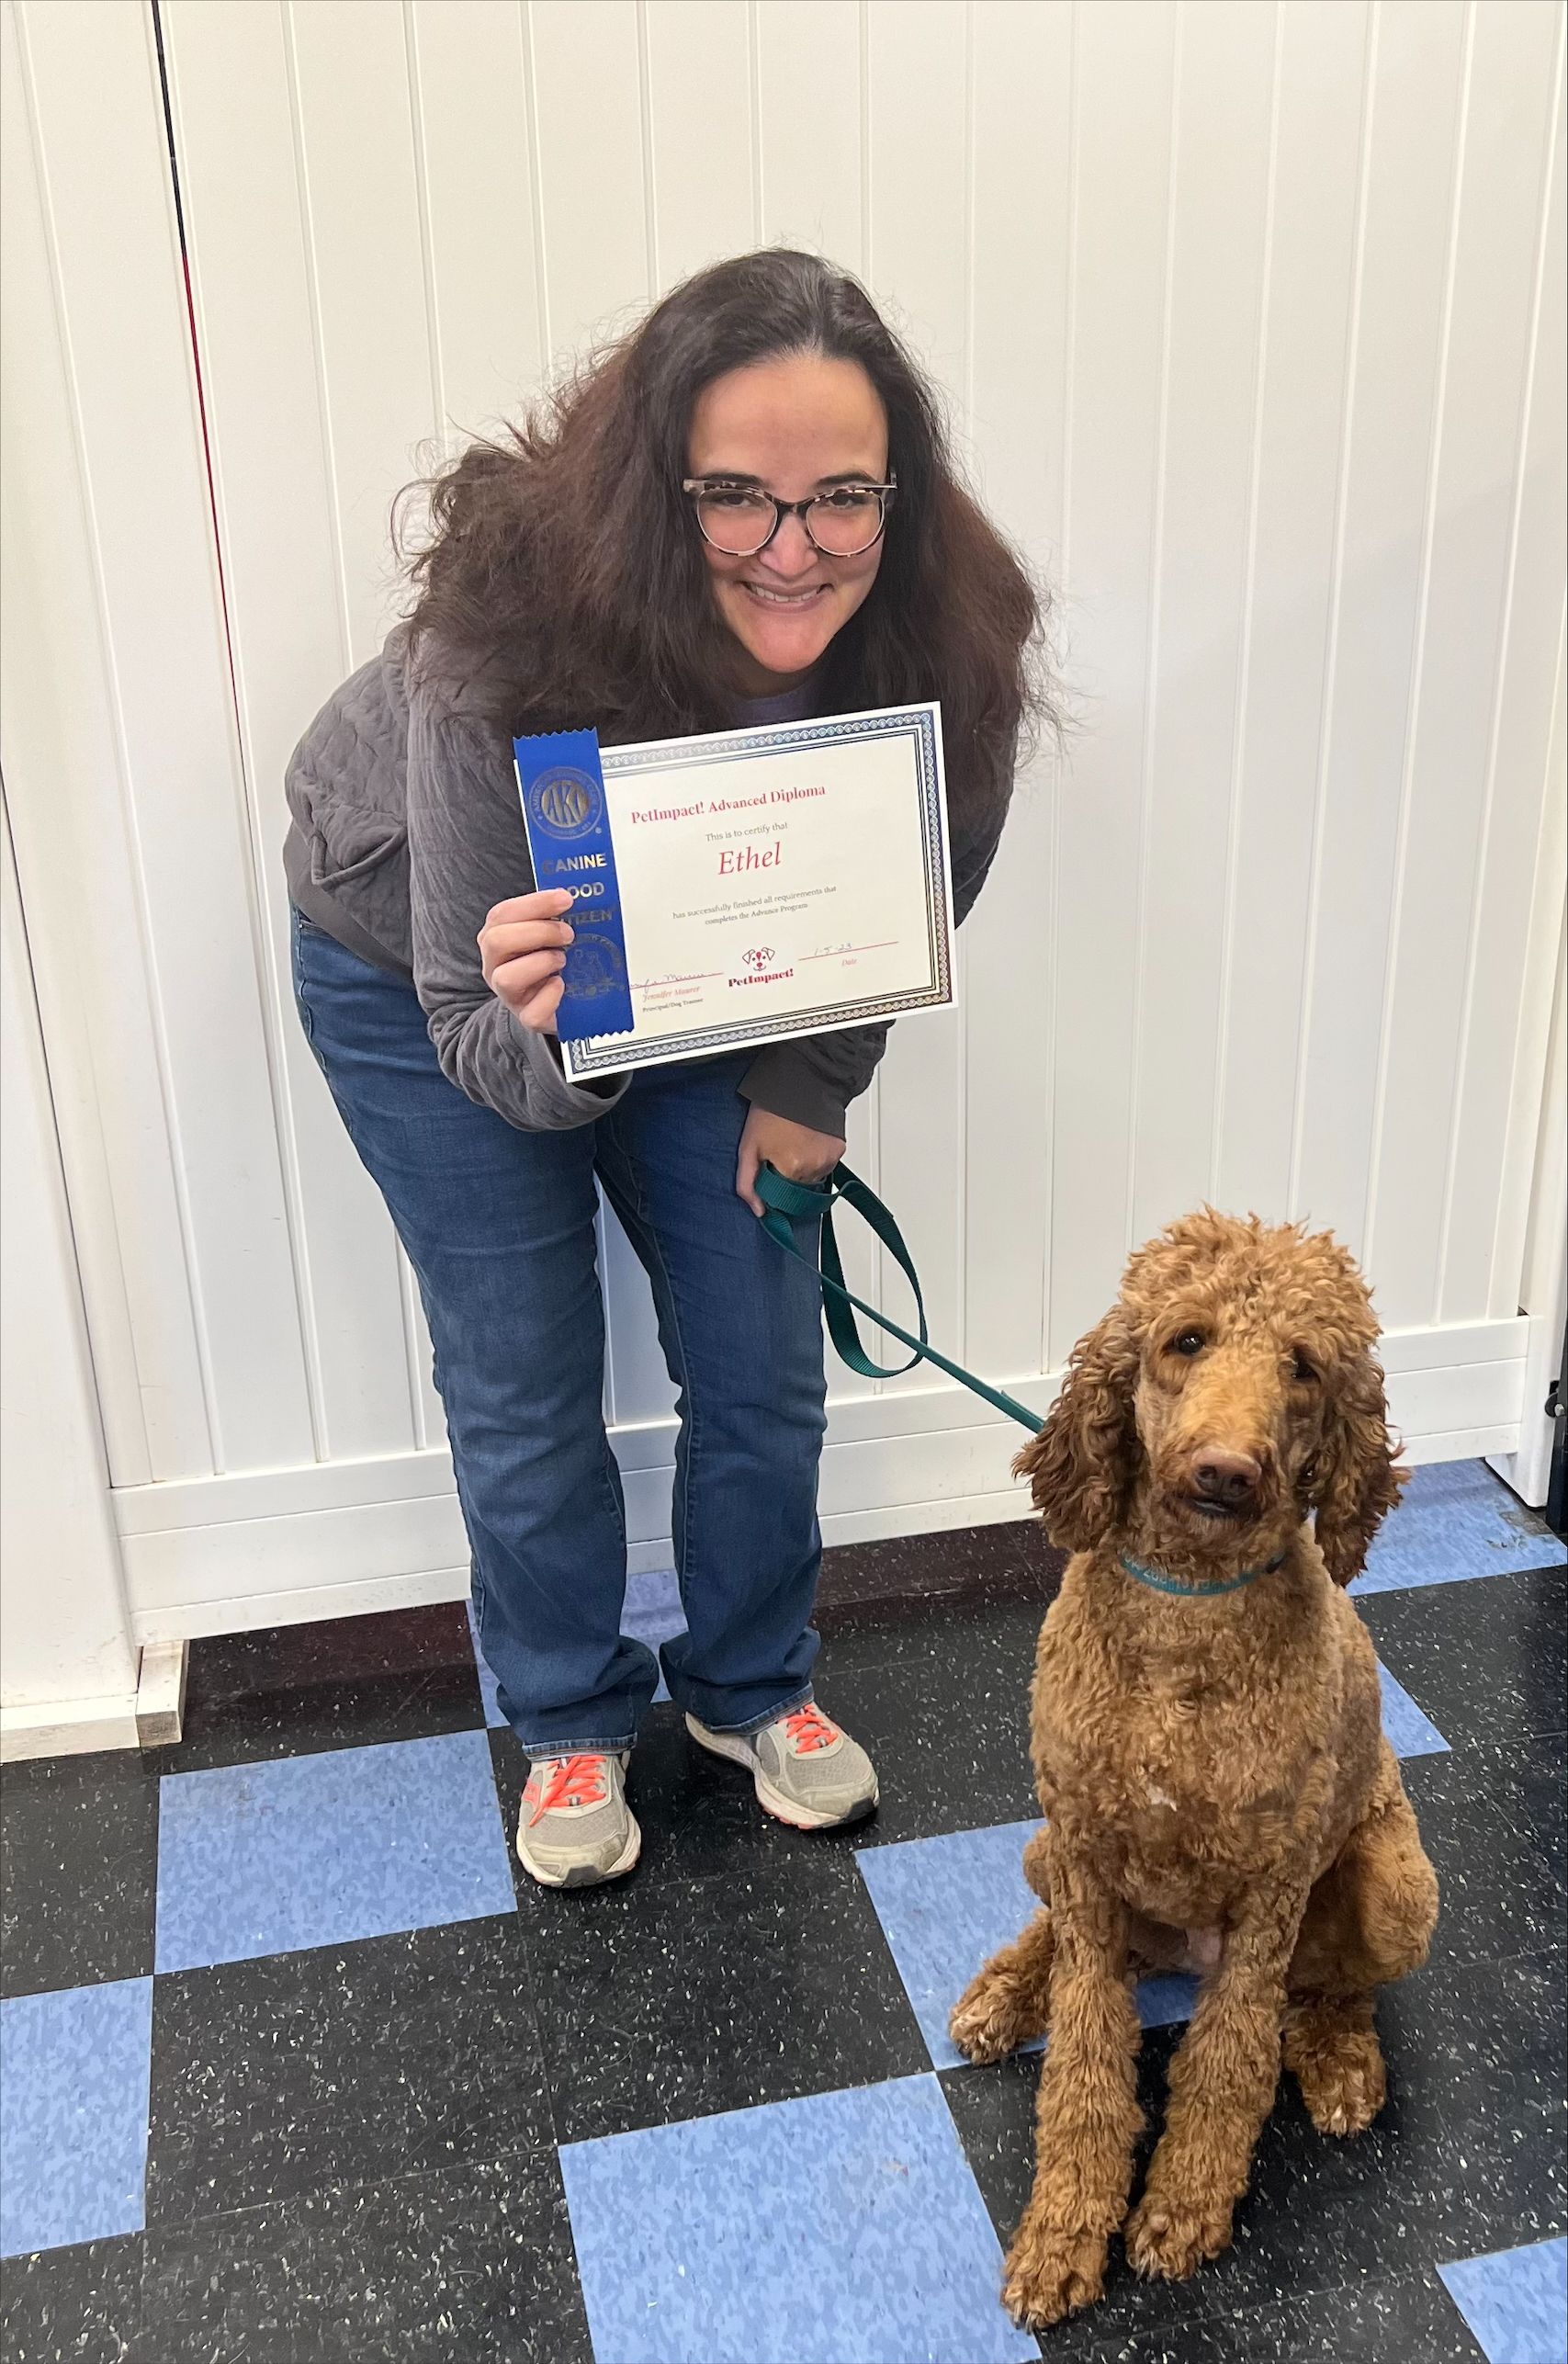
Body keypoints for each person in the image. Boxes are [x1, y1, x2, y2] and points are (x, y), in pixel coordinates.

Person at [284, 248, 1048, 1888]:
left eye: (843, 496)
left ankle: (749, 1683)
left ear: (897, 496)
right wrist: (565, 1042)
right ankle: (566, 1714)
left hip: (715, 979)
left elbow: (919, 882)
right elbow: (470, 1021)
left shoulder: (944, 643)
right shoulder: (498, 640)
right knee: (522, 1371)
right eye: (737, 498)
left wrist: (811, 1084)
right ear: (656, 486)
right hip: (442, 983)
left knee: (764, 1361)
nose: (795, 551)